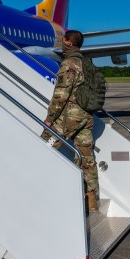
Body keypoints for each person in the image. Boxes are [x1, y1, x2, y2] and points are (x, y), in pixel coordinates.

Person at [42, 30, 99, 213]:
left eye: (62, 39)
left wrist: (50, 119)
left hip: (69, 118)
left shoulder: (69, 64)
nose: (60, 42)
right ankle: (91, 200)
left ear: (68, 42)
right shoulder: (87, 62)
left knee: (44, 145)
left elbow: (61, 95)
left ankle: (40, 188)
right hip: (86, 117)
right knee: (86, 158)